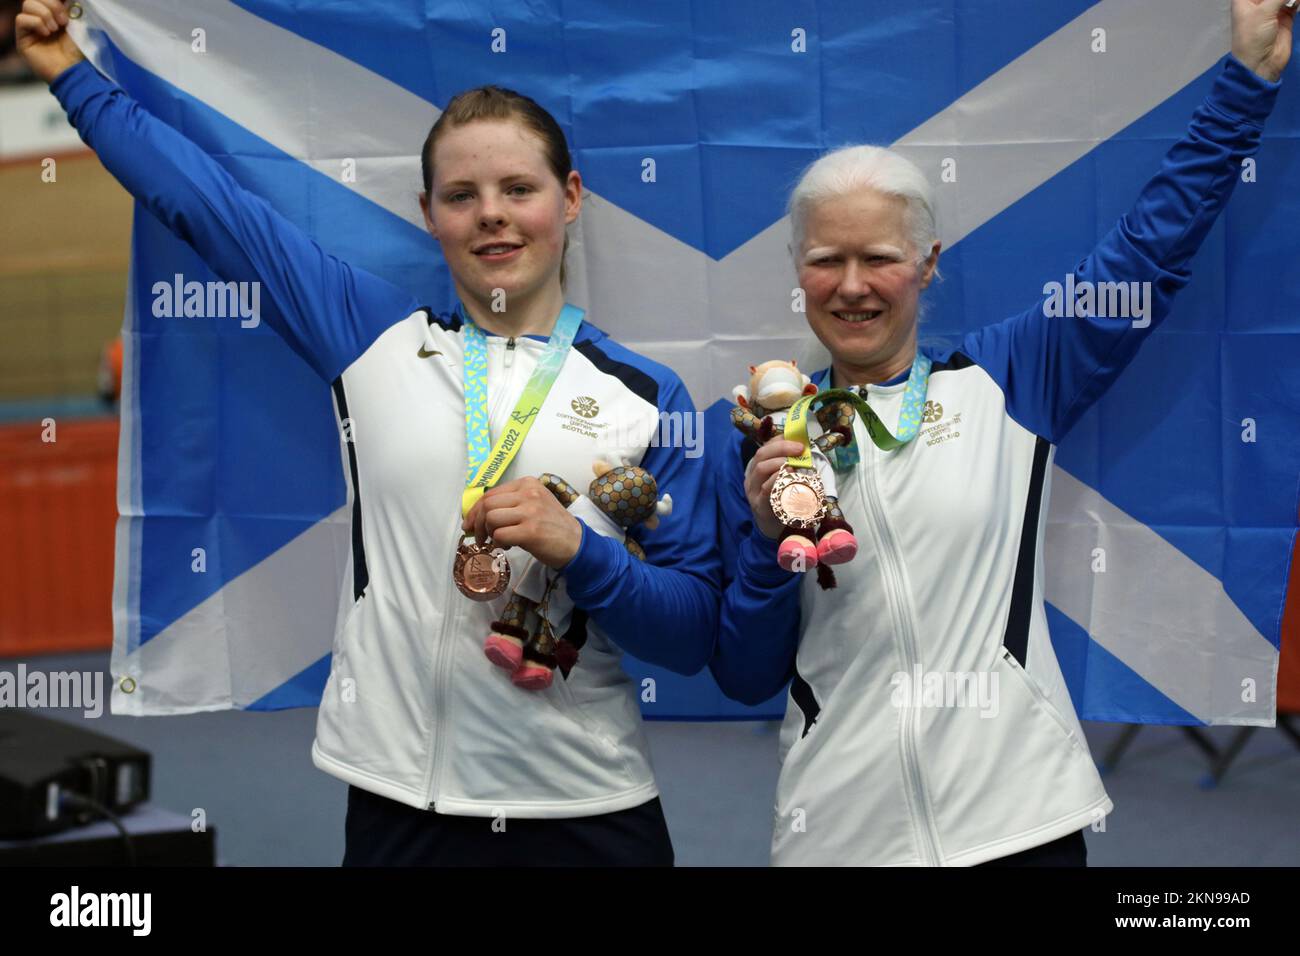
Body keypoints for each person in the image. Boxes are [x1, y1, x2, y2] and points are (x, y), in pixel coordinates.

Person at [18, 0, 719, 866]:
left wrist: (584, 548)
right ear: (429, 214)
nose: (492, 215)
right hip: (396, 803)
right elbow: (203, 202)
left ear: (569, 199)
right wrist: (64, 69)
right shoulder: (371, 337)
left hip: (587, 809)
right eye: (462, 196)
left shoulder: (648, 397)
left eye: (519, 189)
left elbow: (691, 635)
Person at [710, 0, 1292, 866]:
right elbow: (745, 672)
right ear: (799, 272)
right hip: (837, 835)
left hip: (1021, 824)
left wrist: (1247, 80)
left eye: (881, 257)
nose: (854, 284)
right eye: (828, 259)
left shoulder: (1008, 380)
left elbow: (1149, 250)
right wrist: (764, 543)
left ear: (929, 263)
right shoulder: (765, 439)